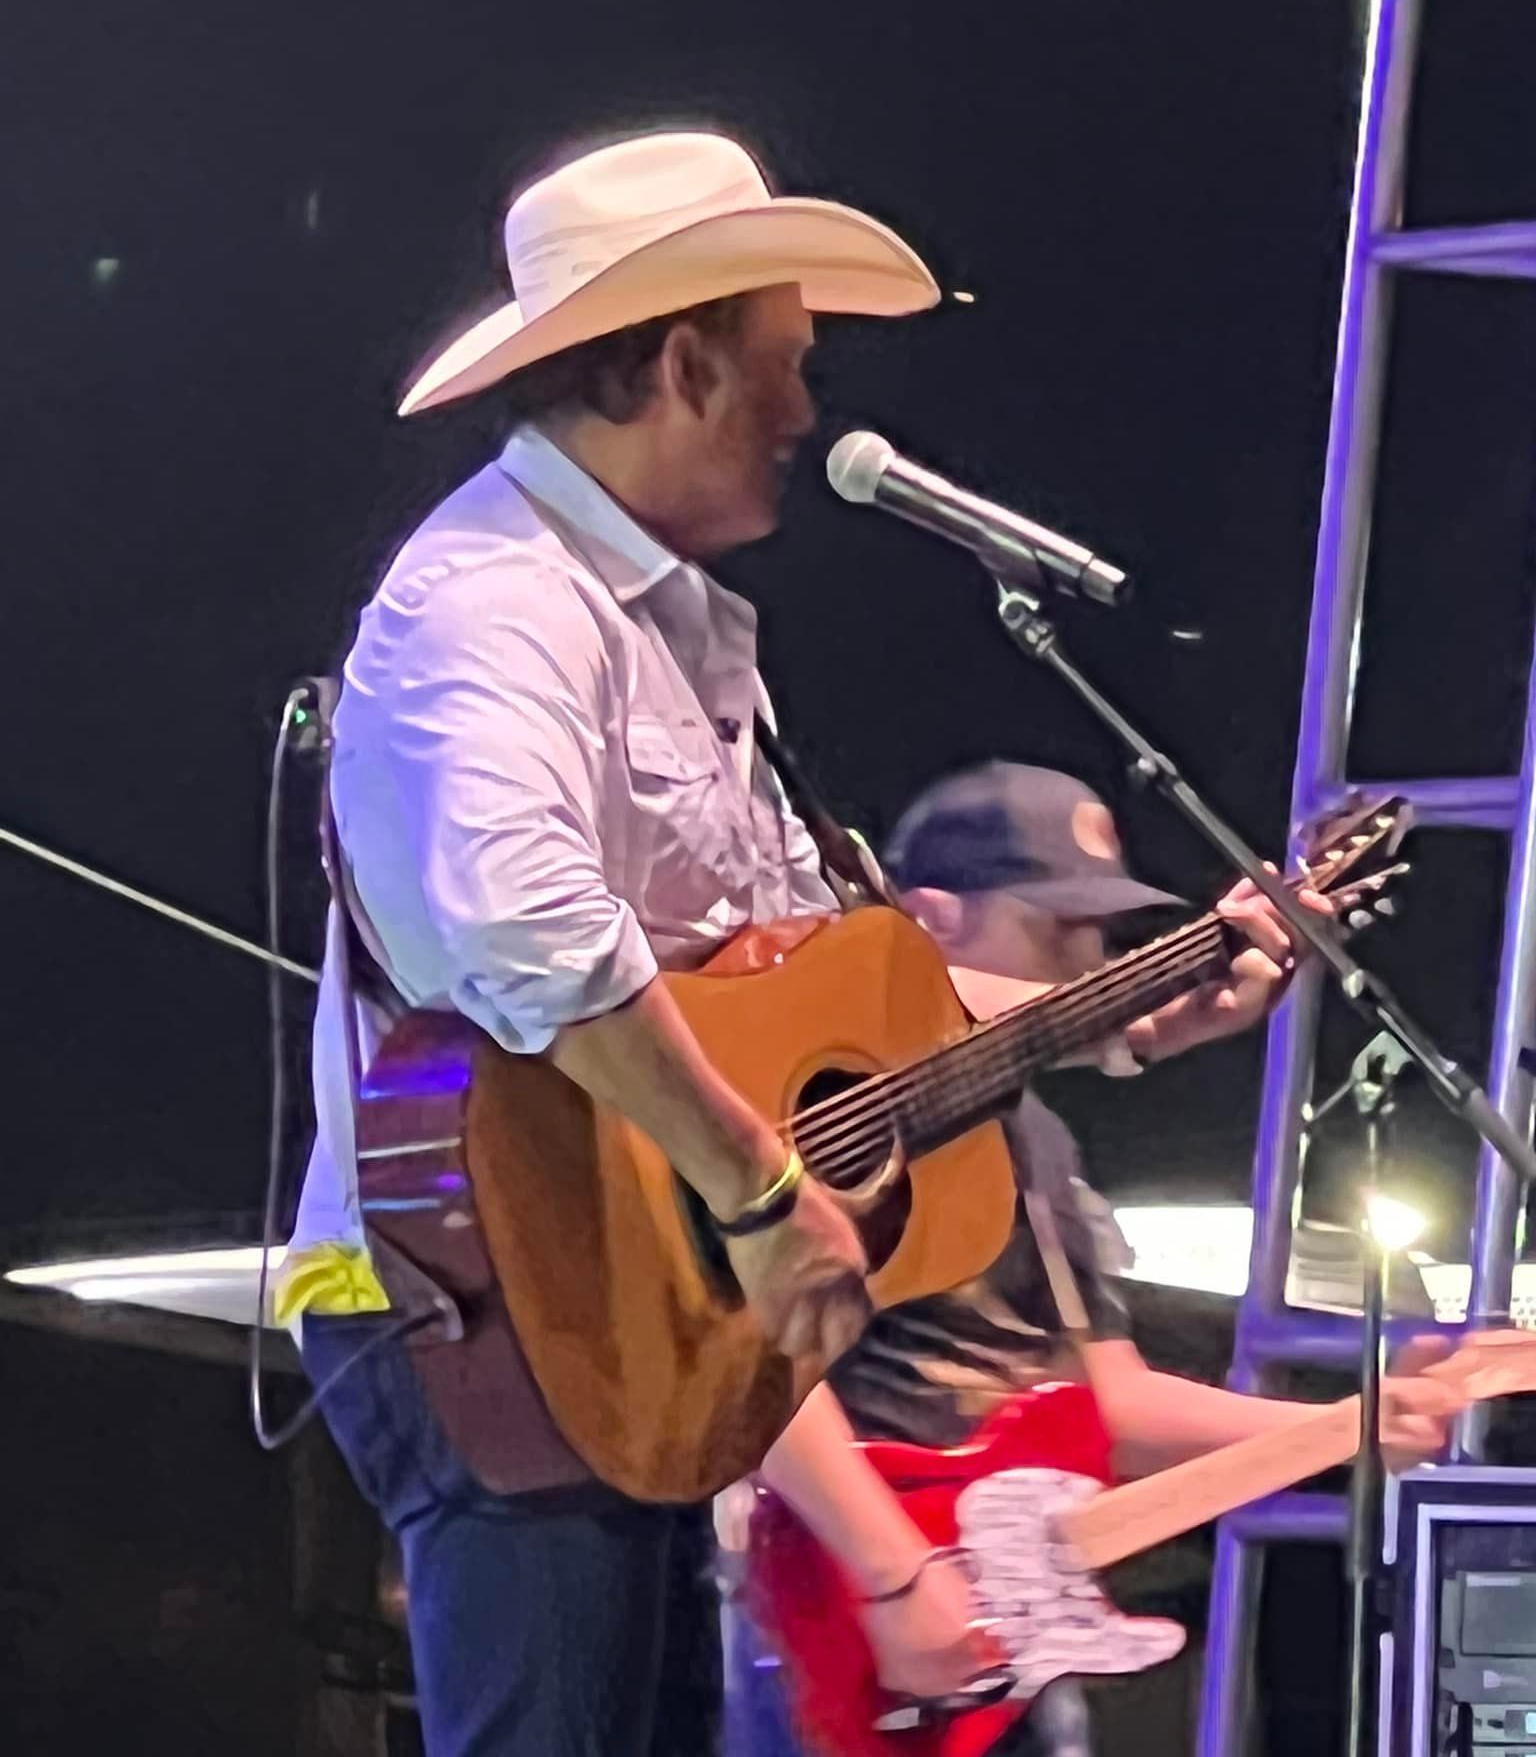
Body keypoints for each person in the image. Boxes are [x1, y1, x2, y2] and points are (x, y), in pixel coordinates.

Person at [275, 127, 1309, 1757]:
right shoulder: (490, 604)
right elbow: (520, 919)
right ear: (683, 363)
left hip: (633, 1298)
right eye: (786, 363)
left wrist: (1124, 1016)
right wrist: (758, 1190)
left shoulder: (675, 627)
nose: (808, 413)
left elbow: (807, 978)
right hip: (510, 1283)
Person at [753, 762, 1456, 1756]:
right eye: (1055, 926)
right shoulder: (824, 1121)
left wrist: (1352, 1423)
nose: (1088, 963)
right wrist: (894, 1572)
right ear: (930, 920)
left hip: (995, 1633)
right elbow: (738, 1360)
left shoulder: (1036, 1138)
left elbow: (1104, 1402)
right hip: (842, 1613)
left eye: (1101, 933)